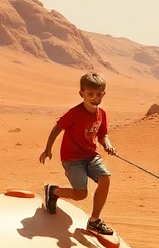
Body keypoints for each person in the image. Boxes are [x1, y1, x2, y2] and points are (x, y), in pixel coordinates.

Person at [38, 72, 117, 236]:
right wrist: (48, 149)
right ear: (82, 94)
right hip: (72, 159)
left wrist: (107, 144)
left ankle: (94, 221)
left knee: (105, 179)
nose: (95, 97)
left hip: (90, 155)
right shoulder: (75, 113)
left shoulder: (101, 113)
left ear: (104, 94)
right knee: (81, 194)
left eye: (99, 94)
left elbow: (102, 135)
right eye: (90, 94)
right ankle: (53, 191)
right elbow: (57, 127)